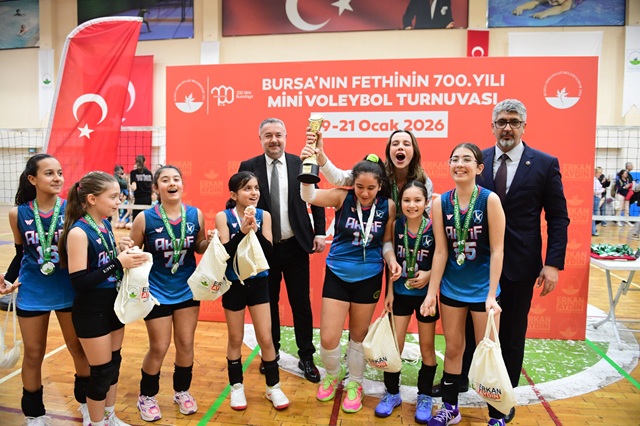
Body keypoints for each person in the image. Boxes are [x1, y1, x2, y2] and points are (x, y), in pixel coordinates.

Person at [458, 99, 570, 424]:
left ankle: (503, 401)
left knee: (511, 333)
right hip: (477, 264)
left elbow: (559, 217)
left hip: (520, 265)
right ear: (492, 126)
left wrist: (553, 263)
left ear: (524, 126)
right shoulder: (476, 159)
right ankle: (462, 380)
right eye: (502, 122)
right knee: (470, 328)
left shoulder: (545, 164)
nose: (507, 127)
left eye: (514, 122)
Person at [300, 157, 402, 414]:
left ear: (380, 186)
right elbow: (308, 196)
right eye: (359, 187)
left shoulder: (388, 206)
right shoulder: (341, 198)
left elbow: (386, 242)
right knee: (328, 337)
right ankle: (333, 374)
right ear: (352, 183)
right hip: (337, 274)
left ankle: (356, 383)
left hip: (369, 277)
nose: (364, 193)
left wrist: (391, 260)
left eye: (371, 188)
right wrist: (310, 162)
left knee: (358, 336)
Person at [0, 154, 91, 426]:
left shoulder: (74, 210)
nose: (57, 178)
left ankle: (87, 405)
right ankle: (34, 414)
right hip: (32, 292)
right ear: (32, 179)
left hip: (68, 290)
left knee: (78, 348)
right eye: (49, 173)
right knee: (33, 353)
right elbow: (21, 254)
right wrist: (6, 279)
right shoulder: (18, 214)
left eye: (59, 172)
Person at [420, 143, 505, 426]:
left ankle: (496, 415)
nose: (459, 164)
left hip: (483, 292)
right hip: (451, 290)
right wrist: (431, 293)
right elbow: (440, 252)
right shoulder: (440, 203)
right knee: (454, 349)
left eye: (467, 159)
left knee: (488, 351)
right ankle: (450, 409)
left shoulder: (490, 200)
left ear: (479, 168)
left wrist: (492, 294)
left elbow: (497, 251)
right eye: (455, 159)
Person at [238, 118, 326, 383]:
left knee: (301, 304)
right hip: (263, 250)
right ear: (260, 139)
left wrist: (319, 232)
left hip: (296, 245)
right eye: (268, 136)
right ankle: (271, 353)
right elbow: (238, 204)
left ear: (286, 137)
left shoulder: (301, 163)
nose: (273, 140)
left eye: (278, 135)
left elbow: (316, 199)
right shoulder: (249, 166)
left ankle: (306, 356)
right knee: (268, 304)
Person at [121, 165, 209, 422]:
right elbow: (132, 252)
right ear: (156, 188)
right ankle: (147, 396)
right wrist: (125, 247)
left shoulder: (195, 214)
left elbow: (199, 246)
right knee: (159, 346)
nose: (172, 183)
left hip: (187, 290)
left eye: (176, 179)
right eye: (165, 180)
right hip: (156, 292)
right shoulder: (145, 218)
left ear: (182, 185)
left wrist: (211, 241)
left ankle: (182, 391)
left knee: (185, 343)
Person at [58, 171, 147, 426]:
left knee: (114, 365)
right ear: (92, 199)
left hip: (112, 305)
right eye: (113, 197)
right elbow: (80, 282)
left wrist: (120, 250)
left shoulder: (105, 224)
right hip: (91, 310)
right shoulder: (78, 232)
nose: (119, 202)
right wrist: (118, 262)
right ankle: (96, 423)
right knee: (100, 372)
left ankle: (110, 417)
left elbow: (101, 263)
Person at [215, 171, 290, 411]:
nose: (254, 192)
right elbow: (225, 253)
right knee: (235, 339)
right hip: (234, 285)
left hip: (259, 284)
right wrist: (242, 232)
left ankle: (273, 387)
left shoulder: (263, 215)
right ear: (233, 195)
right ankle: (236, 387)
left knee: (266, 338)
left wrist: (255, 230)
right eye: (247, 188)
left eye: (256, 188)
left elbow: (269, 252)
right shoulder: (223, 217)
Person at [375, 180, 438, 423]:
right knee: (395, 347)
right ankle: (392, 393)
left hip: (426, 298)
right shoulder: (396, 225)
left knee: (427, 348)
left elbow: (442, 258)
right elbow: (390, 261)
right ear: (400, 202)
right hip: (400, 294)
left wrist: (429, 276)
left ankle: (425, 395)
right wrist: (389, 292)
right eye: (407, 200)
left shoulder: (434, 227)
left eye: (417, 200)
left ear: (426, 202)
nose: (412, 205)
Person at [302, 128, 434, 215]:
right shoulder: (376, 173)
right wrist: (320, 156)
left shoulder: (423, 181)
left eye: (406, 144)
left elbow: (424, 218)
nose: (400, 147)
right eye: (395, 144)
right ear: (389, 151)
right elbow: (338, 178)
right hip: (378, 240)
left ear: (414, 151)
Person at [129, 155, 153, 221]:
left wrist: (129, 185)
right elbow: (152, 186)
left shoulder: (133, 173)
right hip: (148, 198)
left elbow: (134, 188)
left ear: (135, 162)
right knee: (147, 218)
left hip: (138, 198)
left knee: (136, 219)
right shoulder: (149, 173)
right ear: (145, 162)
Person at [512, 0, 580, 19]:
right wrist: (521, 7)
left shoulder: (569, 1)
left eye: (556, 0)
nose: (552, 1)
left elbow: (561, 8)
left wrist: (545, 13)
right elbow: (535, 2)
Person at [593, 168, 604, 237]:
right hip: (596, 197)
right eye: (599, 173)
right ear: (596, 173)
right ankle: (593, 231)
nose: (600, 174)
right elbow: (595, 191)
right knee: (594, 214)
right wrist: (603, 190)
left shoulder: (596, 180)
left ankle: (593, 229)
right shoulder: (595, 181)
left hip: (597, 198)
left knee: (594, 214)